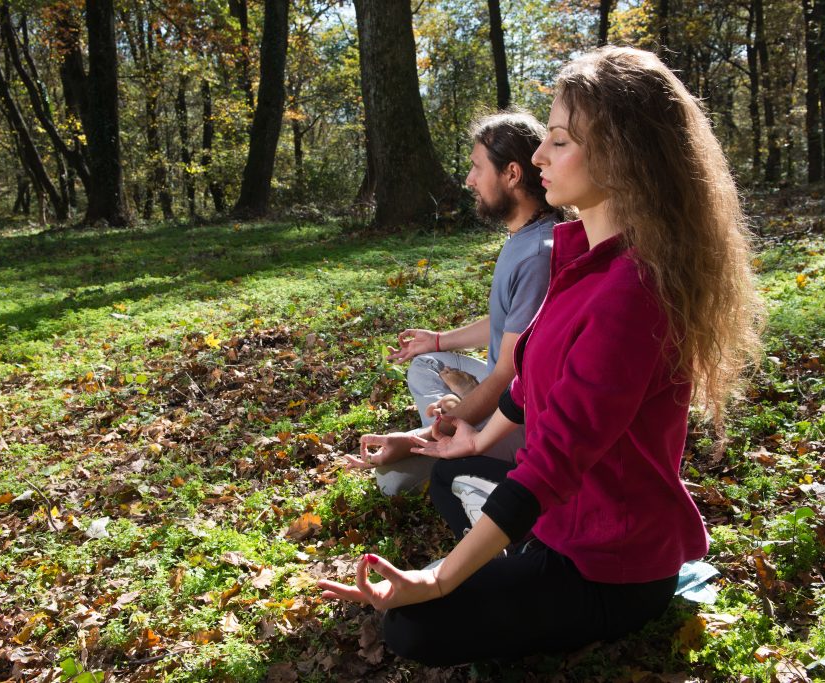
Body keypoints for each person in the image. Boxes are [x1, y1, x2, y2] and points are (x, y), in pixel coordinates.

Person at [318, 46, 765, 666]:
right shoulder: (578, 254)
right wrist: (456, 442)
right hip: (562, 517)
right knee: (450, 475)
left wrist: (441, 577)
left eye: (558, 141)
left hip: (612, 564)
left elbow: (554, 461)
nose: (536, 158)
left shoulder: (634, 293)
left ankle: (513, 572)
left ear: (621, 152)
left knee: (412, 629)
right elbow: (526, 386)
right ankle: (506, 558)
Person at [347, 111, 561, 496]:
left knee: (391, 481)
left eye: (478, 167)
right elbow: (506, 321)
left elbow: (509, 377)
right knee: (426, 363)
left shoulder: (537, 254)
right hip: (500, 390)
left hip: (520, 415)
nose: (469, 180)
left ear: (512, 174)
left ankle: (462, 436)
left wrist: (431, 433)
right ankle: (459, 412)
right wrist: (439, 340)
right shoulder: (524, 238)